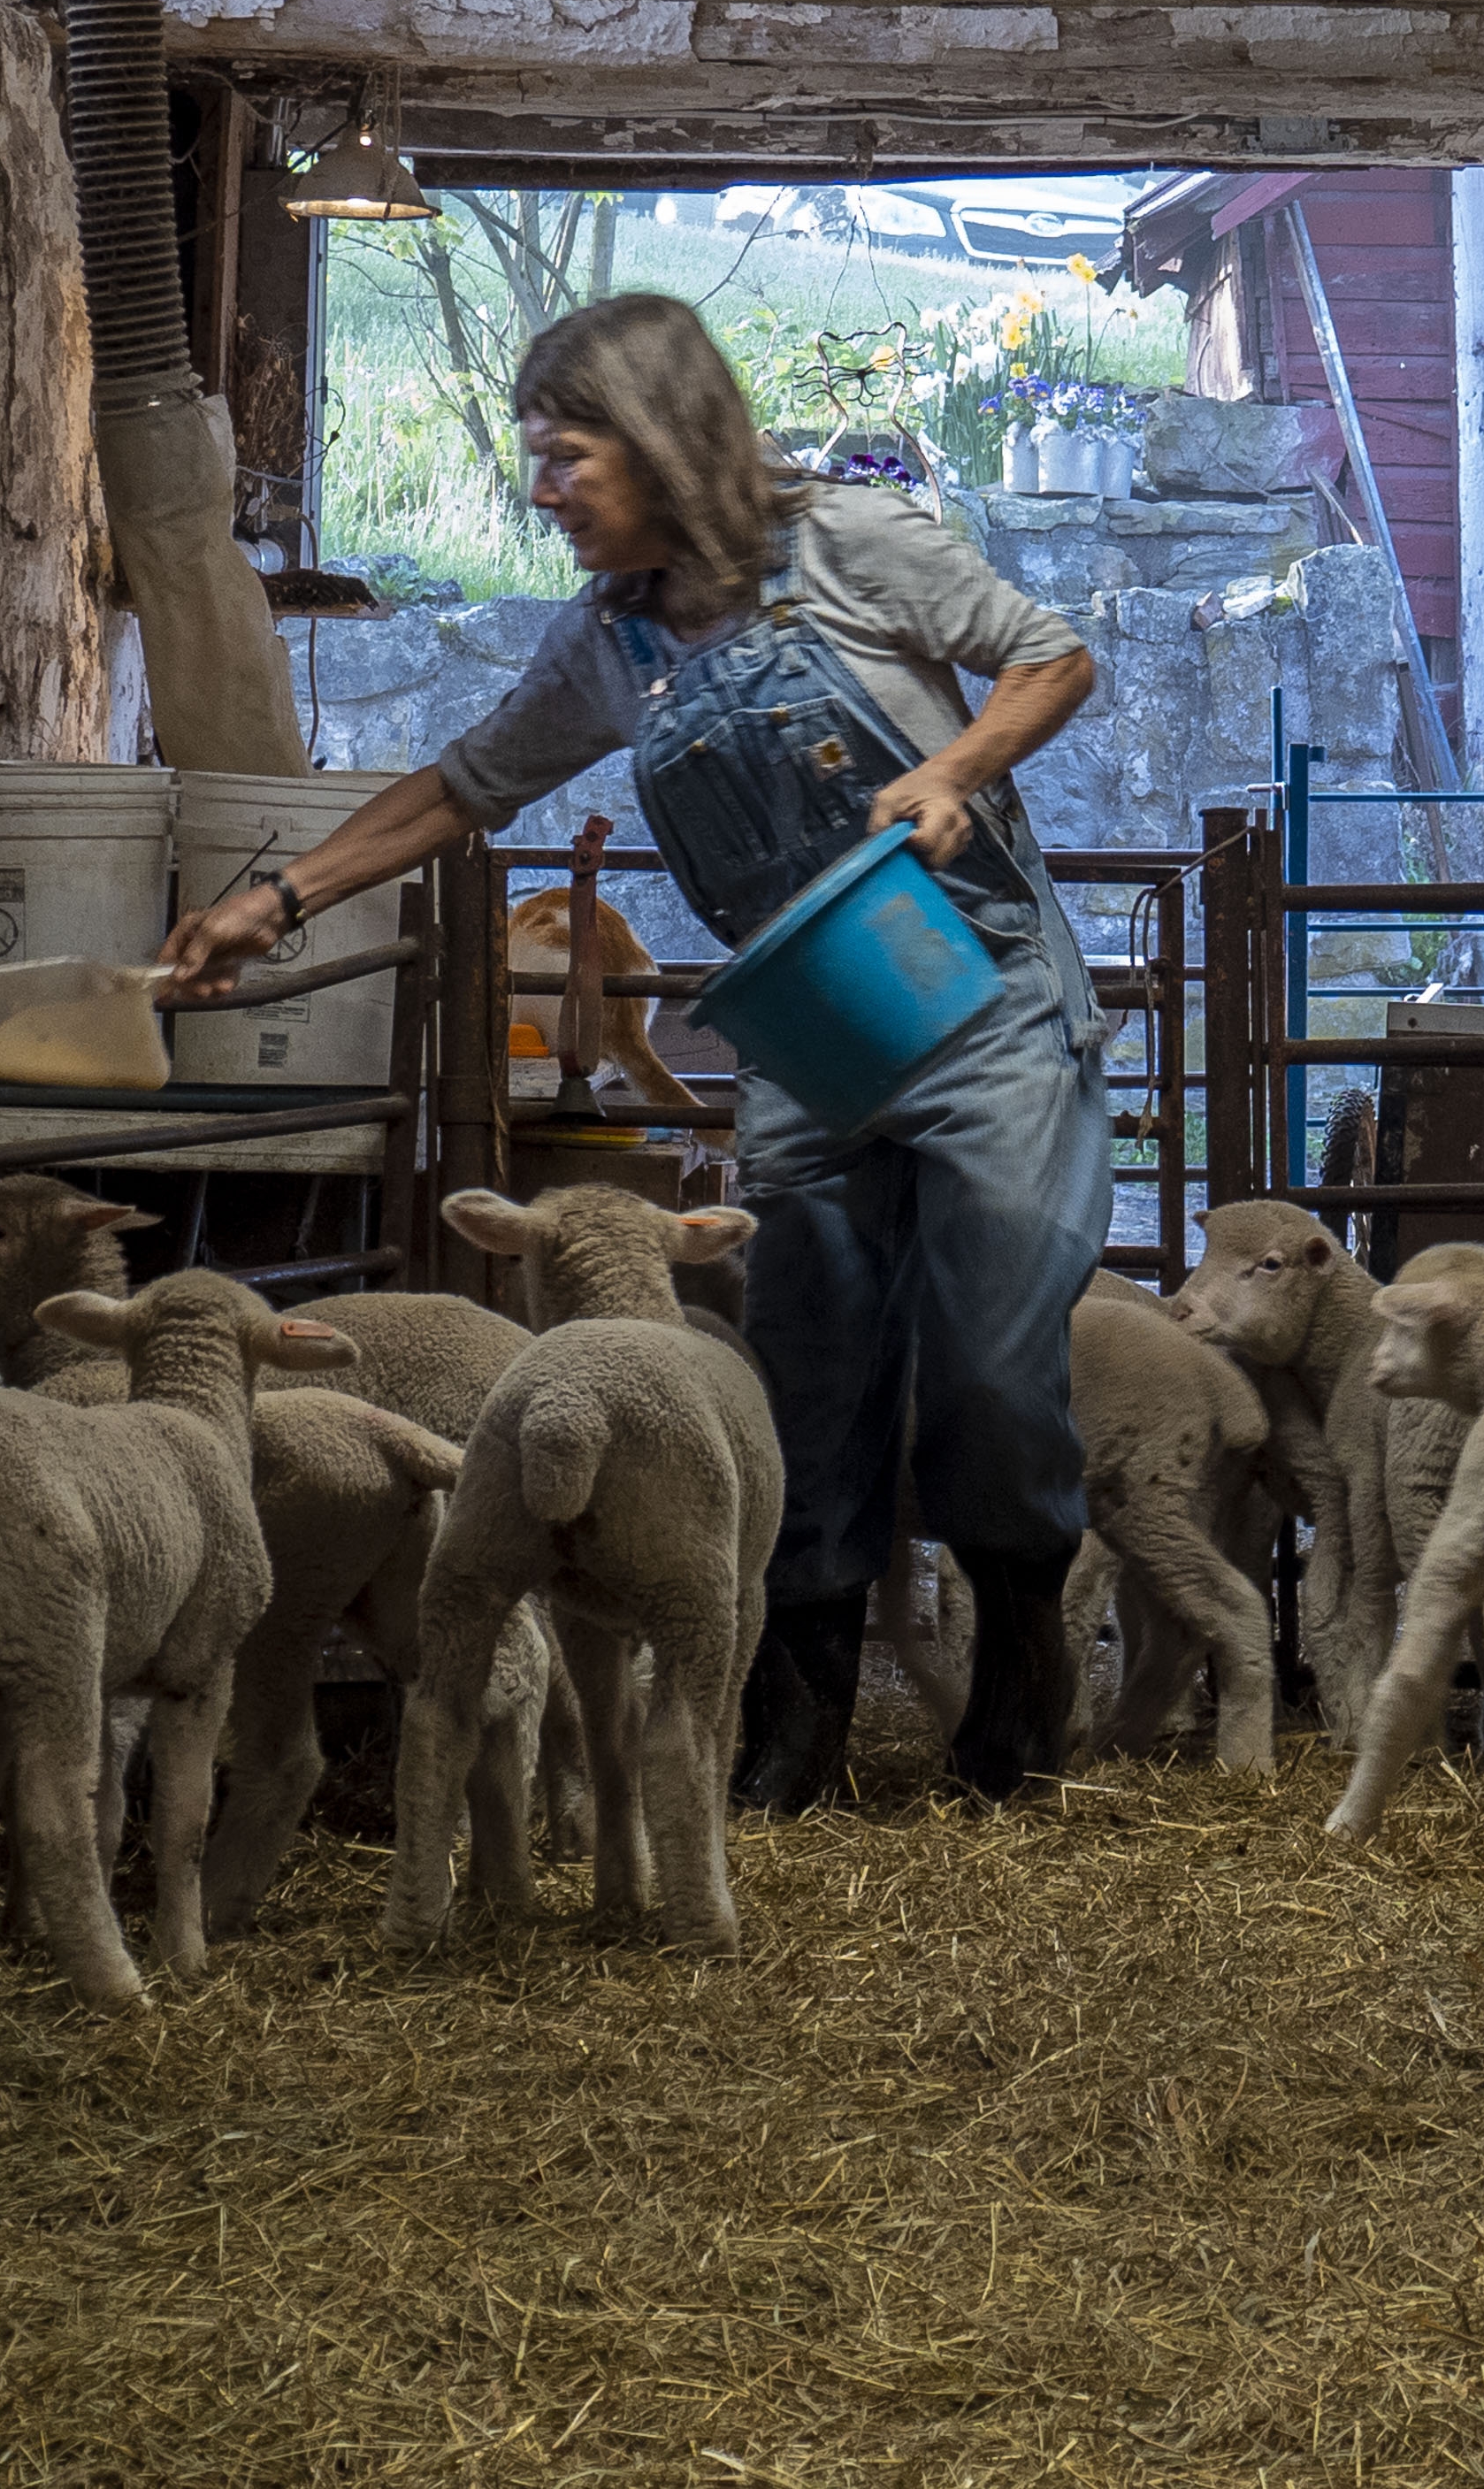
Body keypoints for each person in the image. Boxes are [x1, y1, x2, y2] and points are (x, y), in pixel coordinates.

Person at [157, 293, 1110, 1808]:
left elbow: (1049, 657)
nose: (543, 491)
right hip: (815, 1032)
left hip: (981, 1004)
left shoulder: (858, 547)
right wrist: (275, 899)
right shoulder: (606, 644)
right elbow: (462, 784)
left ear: (661, 441)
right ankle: (790, 1716)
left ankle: (1015, 1684)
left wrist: (951, 767)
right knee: (806, 1367)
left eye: (564, 455)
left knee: (992, 1369)